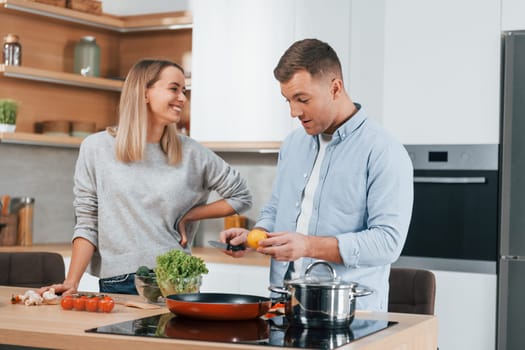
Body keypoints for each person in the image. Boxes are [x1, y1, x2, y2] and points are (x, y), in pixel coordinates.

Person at [220, 39, 413, 312]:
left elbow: (387, 242)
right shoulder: (292, 144)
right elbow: (277, 207)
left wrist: (308, 246)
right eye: (288, 100)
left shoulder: (384, 150)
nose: (294, 112)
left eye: (303, 99)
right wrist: (259, 235)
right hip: (285, 304)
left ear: (335, 88)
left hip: (351, 314)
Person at [40, 59, 252, 295]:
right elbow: (88, 222)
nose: (182, 98)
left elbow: (241, 195)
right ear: (144, 93)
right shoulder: (96, 148)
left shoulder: (192, 152)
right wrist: (72, 281)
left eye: (184, 90)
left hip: (176, 280)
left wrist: (189, 216)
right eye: (174, 89)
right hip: (118, 280)